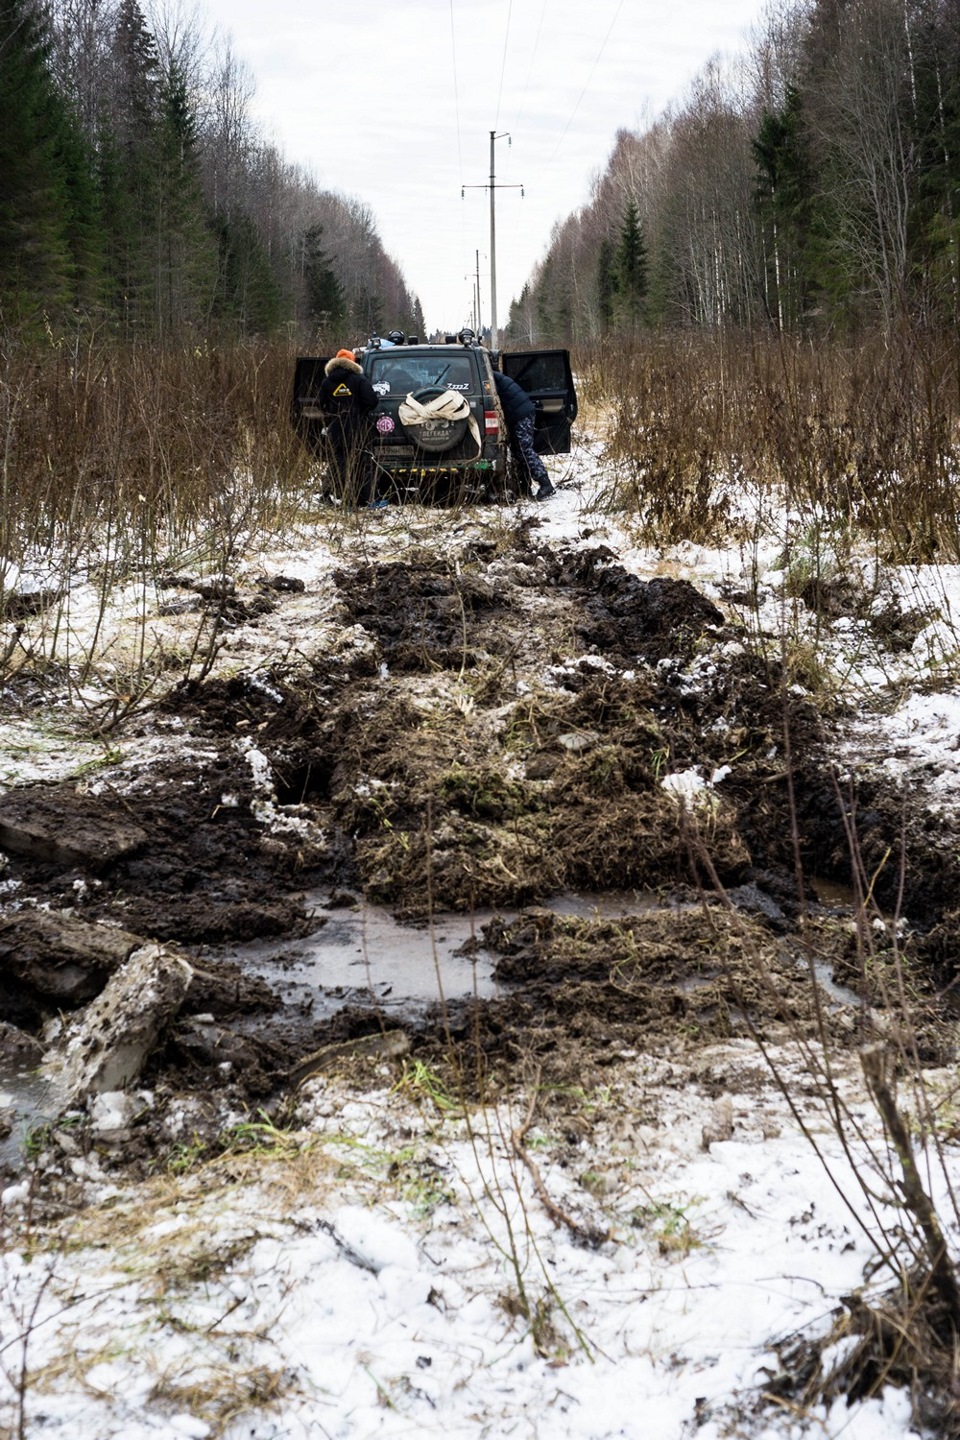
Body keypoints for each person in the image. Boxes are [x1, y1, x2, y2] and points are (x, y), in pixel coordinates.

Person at [317, 348, 379, 505]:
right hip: (358, 428)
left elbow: (321, 404)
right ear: (352, 362)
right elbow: (372, 401)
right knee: (362, 463)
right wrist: (360, 412)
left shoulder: (327, 382)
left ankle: (326, 494)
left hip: (336, 428)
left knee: (338, 462)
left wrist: (333, 415)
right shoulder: (359, 380)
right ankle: (362, 500)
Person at [493, 369, 556, 501]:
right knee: (519, 451)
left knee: (524, 449)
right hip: (523, 412)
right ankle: (524, 488)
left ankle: (545, 483)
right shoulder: (495, 376)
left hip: (521, 414)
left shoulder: (490, 377)